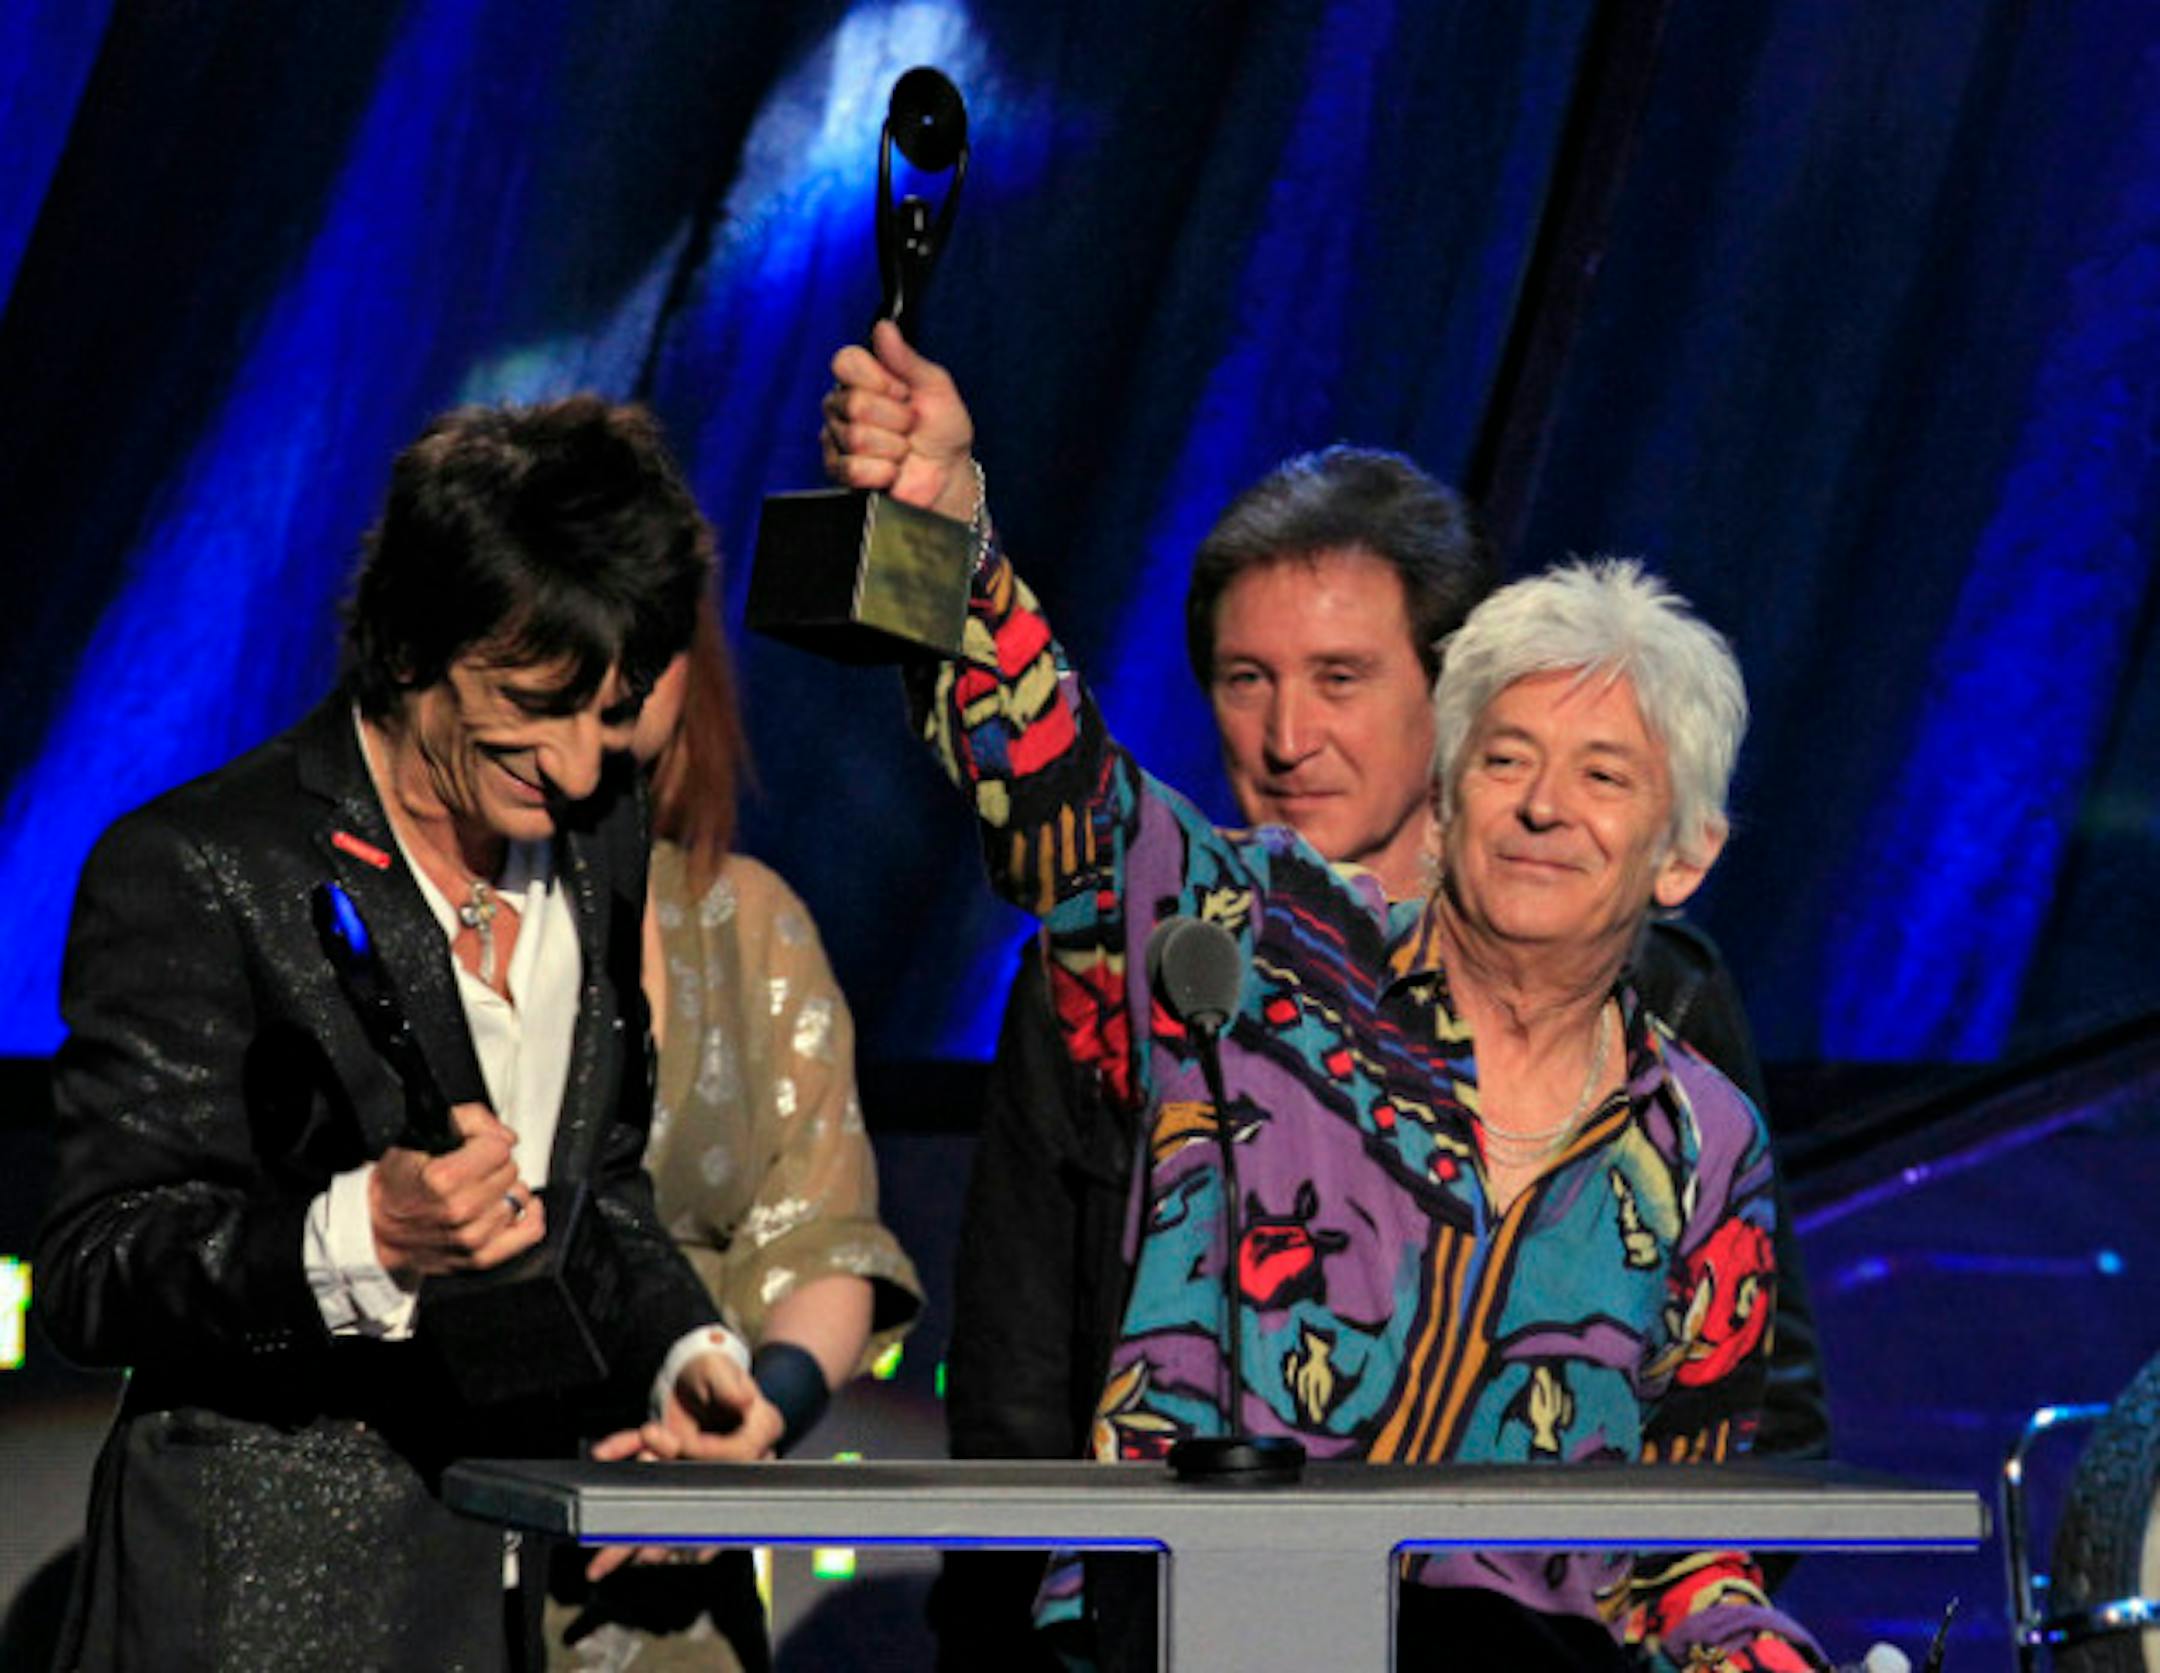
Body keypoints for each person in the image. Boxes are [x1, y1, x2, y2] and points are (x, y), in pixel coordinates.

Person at [827, 324, 1828, 1671]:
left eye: (1602, 777)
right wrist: (948, 525)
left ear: (1686, 850)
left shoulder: (1701, 1139)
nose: (1540, 805)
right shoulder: (1251, 947)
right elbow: (1051, 785)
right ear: (1449, 776)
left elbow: (1691, 1530)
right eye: (1510, 758)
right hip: (1199, 1630)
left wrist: (1756, 1651)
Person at [36, 398, 783, 1672]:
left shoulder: (592, 843)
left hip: (486, 1601)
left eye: (607, 711)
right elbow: (97, 1267)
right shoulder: (200, 866)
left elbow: (589, 1191)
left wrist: (684, 1356)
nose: (572, 761)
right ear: (411, 645)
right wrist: (358, 1236)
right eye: (531, 702)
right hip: (249, 1610)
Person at [543, 595, 925, 1669]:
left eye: (644, 643)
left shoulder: (747, 922)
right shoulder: (406, 908)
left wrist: (758, 1416)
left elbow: (825, 1239)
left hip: (669, 1570)